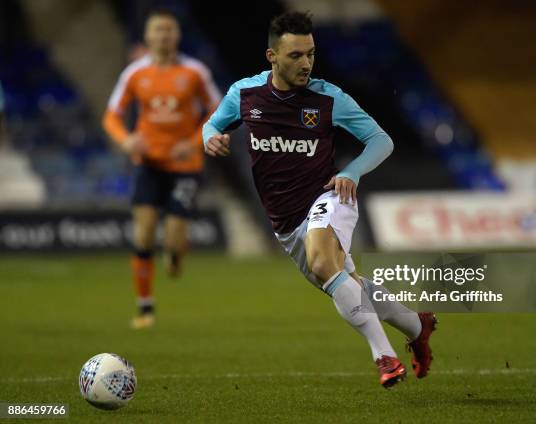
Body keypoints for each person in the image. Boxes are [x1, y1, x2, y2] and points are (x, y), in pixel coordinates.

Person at [203, 11, 436, 388]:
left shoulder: (328, 98)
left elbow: (381, 141)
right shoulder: (244, 95)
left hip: (330, 197)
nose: (306, 63)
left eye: (310, 53)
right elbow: (212, 123)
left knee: (323, 261)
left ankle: (385, 358)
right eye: (295, 55)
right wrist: (209, 137)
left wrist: (351, 172)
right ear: (272, 57)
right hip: (286, 223)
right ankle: (416, 325)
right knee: (348, 280)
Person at [103, 8, 221, 329]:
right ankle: (145, 308)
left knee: (173, 242)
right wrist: (126, 141)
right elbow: (111, 116)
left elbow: (219, 110)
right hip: (149, 163)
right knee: (142, 234)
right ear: (147, 36)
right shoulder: (134, 74)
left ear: (177, 36)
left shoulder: (195, 72)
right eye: (158, 30)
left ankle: (175, 253)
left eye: (169, 30)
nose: (164, 36)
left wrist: (196, 142)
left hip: (185, 164)